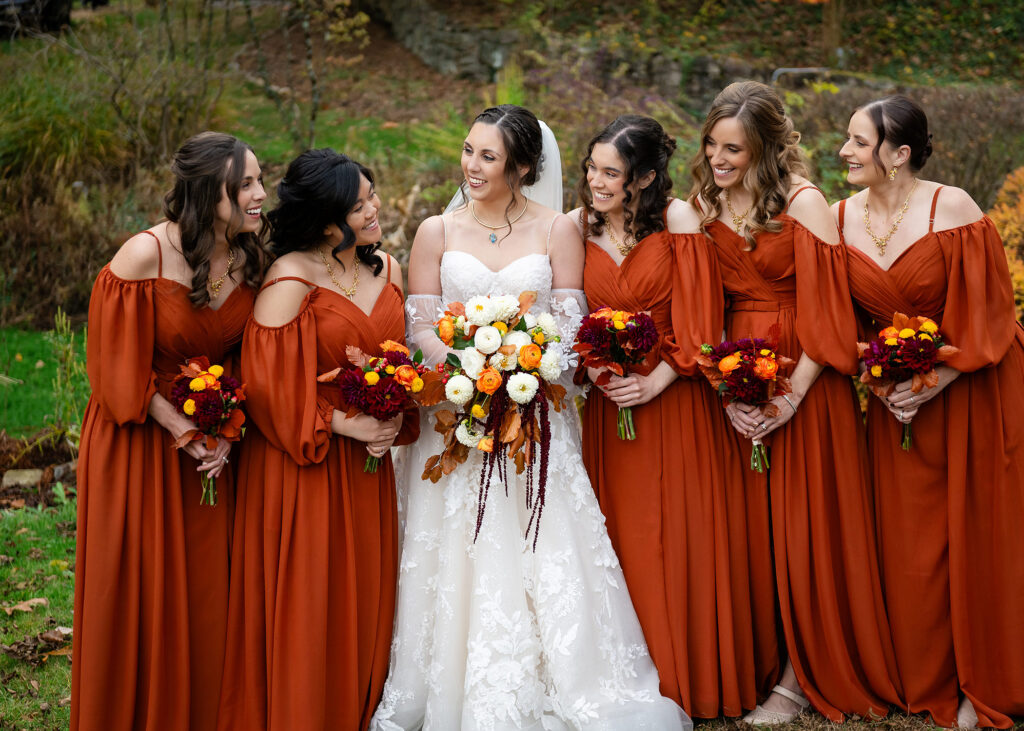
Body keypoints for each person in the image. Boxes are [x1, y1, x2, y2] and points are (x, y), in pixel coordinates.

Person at [371, 105, 690, 730]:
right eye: (468, 150)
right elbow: (421, 327)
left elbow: (569, 325)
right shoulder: (436, 230)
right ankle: (448, 687)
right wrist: (467, 374)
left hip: (537, 416)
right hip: (456, 420)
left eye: (487, 157)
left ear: (521, 168)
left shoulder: (557, 229)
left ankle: (562, 679)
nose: (471, 165)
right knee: (457, 551)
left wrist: (525, 373)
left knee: (543, 545)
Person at [691, 81, 903, 724]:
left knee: (803, 527)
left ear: (765, 150)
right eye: (712, 144)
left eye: (734, 149)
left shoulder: (804, 203)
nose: (719, 158)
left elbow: (830, 309)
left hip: (807, 373)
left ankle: (798, 678)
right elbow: (701, 303)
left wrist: (791, 397)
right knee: (749, 531)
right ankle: (757, 660)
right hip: (738, 373)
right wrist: (725, 388)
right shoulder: (702, 203)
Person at [570, 114, 776, 719]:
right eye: (592, 168)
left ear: (644, 177)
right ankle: (636, 679)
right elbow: (567, 313)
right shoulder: (578, 227)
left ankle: (695, 677)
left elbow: (702, 320)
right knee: (623, 540)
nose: (597, 181)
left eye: (612, 173)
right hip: (611, 408)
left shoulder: (678, 219)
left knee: (680, 536)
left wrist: (656, 379)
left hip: (674, 399)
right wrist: (601, 374)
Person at [835, 95, 1024, 729]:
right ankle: (923, 673)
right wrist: (880, 374)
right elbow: (838, 319)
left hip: (973, 388)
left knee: (975, 534)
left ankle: (983, 677)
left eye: (859, 142)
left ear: (900, 154)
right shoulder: (838, 219)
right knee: (911, 540)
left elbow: (992, 313)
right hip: (896, 400)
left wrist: (937, 378)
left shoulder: (954, 208)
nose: (845, 152)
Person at [72, 131, 267, 731]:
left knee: (206, 594)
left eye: (261, 180)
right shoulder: (143, 257)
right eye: (246, 185)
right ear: (209, 194)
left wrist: (228, 428)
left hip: (211, 451)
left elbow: (247, 359)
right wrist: (182, 427)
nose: (262, 194)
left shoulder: (250, 258)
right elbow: (112, 367)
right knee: (142, 591)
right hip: (138, 441)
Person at [215, 149, 416, 730]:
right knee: (311, 597)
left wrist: (392, 416)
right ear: (326, 223)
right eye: (359, 206)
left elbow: (400, 359)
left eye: (372, 196)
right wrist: (345, 423)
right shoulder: (290, 279)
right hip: (305, 465)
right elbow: (267, 387)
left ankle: (357, 709)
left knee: (365, 593)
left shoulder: (388, 270)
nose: (375, 209)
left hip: (369, 467)